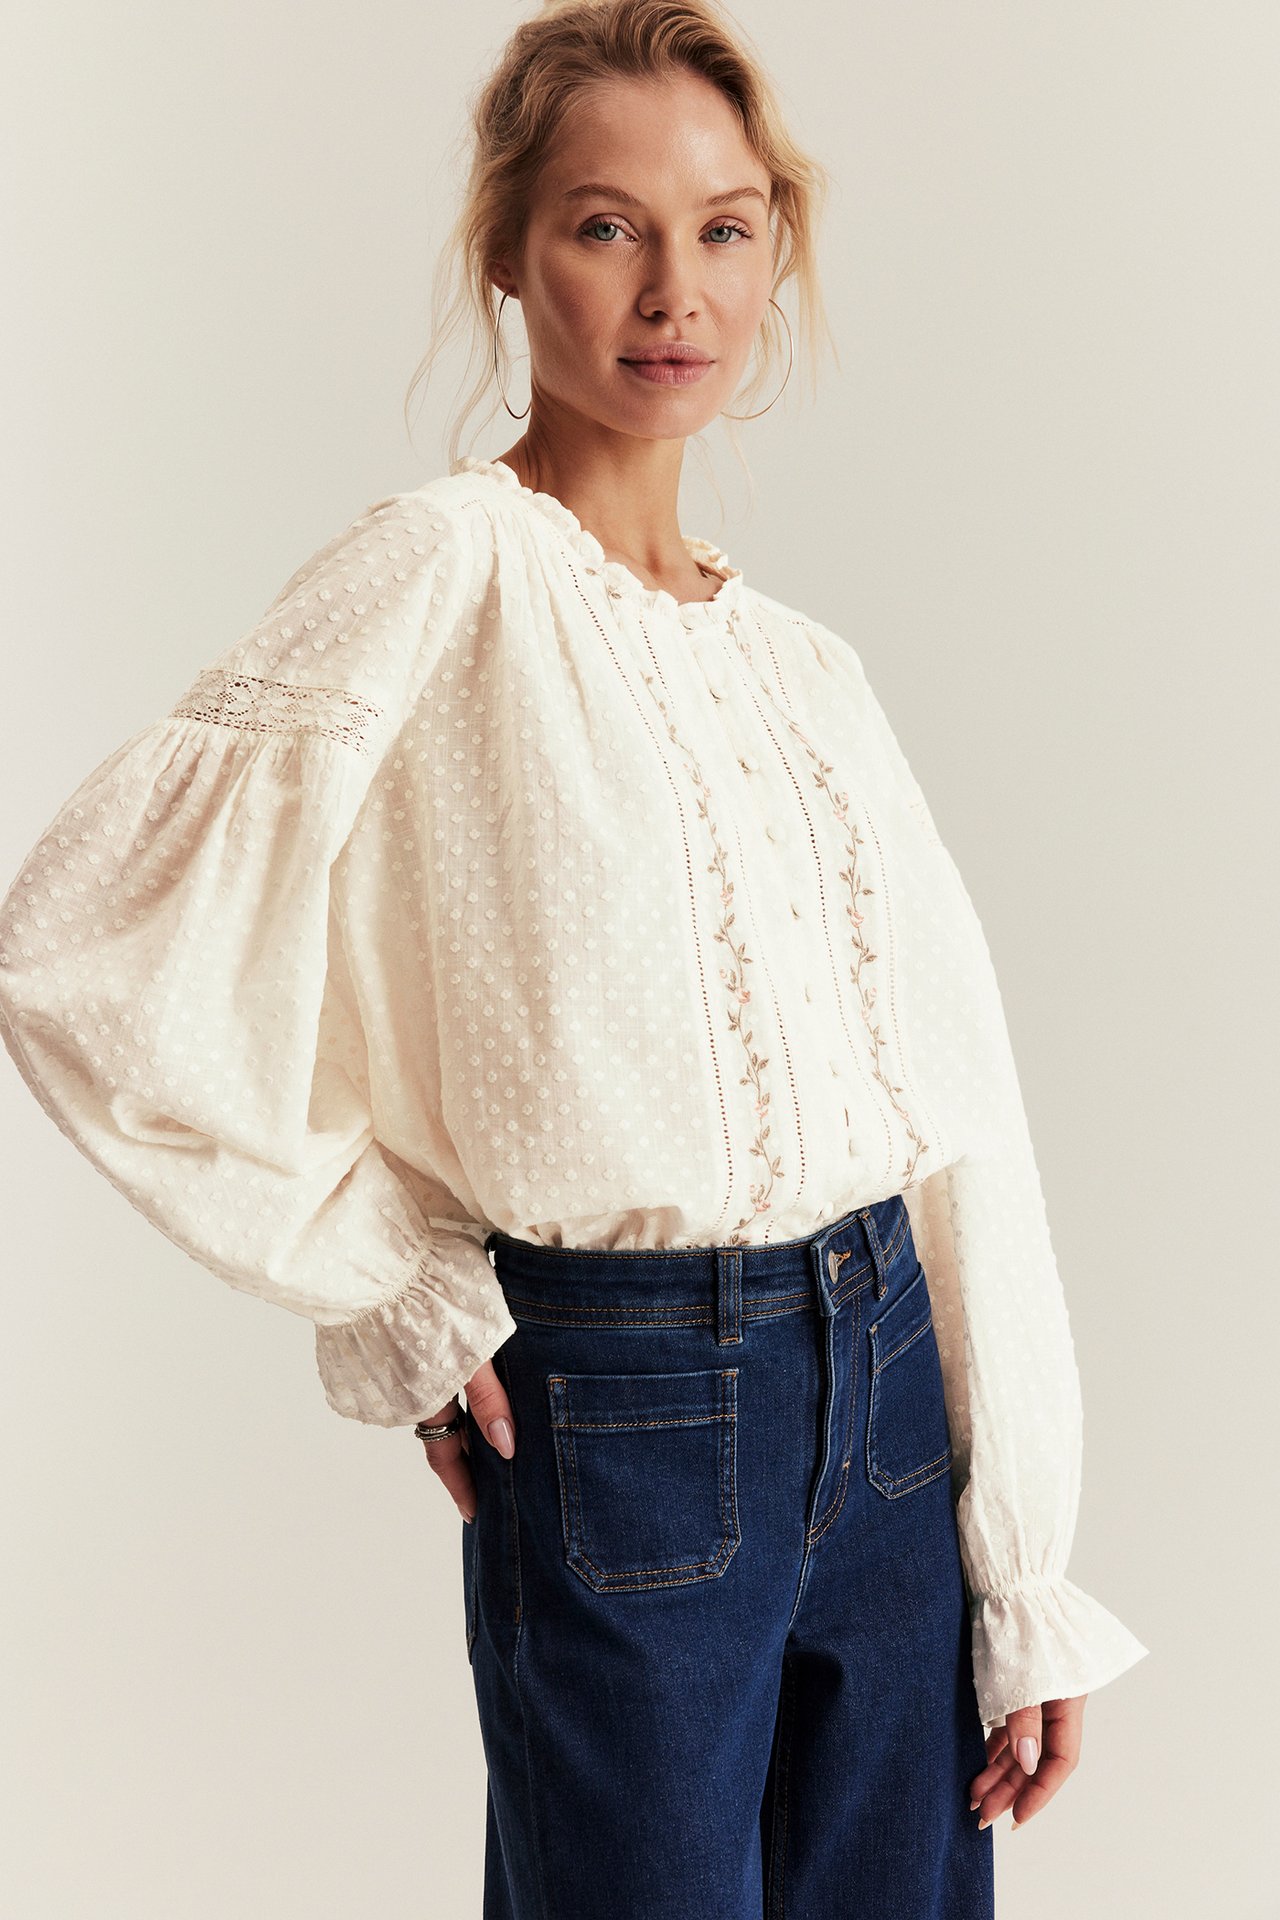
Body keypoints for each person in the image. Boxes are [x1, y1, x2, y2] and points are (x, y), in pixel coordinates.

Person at [0, 1, 1148, 1913]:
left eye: (722, 228)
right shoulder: (446, 568)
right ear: (508, 256)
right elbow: (82, 947)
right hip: (625, 1416)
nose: (670, 289)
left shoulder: (807, 674)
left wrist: (1019, 1565)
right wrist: (402, 1282)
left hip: (891, 1418)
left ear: (777, 252)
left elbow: (961, 1122)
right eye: (606, 226)